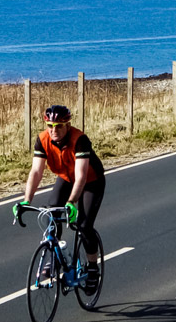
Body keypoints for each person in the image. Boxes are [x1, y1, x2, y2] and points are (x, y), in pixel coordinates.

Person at [14, 104, 107, 284]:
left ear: (67, 126)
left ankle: (93, 267)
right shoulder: (42, 140)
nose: (53, 130)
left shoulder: (80, 140)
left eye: (58, 126)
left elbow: (81, 177)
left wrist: (72, 202)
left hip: (91, 181)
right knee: (52, 213)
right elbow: (36, 172)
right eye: (50, 126)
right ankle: (53, 259)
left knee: (84, 225)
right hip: (66, 178)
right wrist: (26, 200)